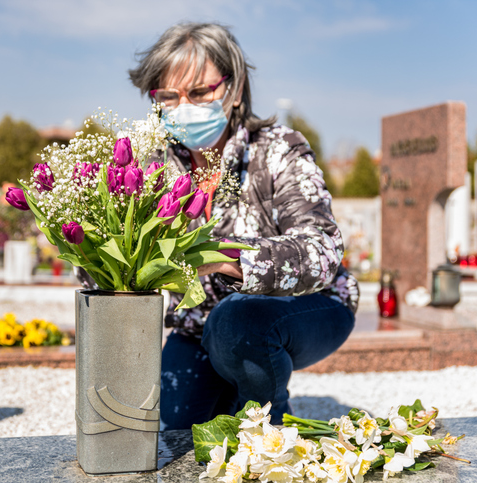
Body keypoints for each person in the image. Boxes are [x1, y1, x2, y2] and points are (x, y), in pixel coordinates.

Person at [127, 22, 359, 430]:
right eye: (168, 96)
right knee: (174, 429)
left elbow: (322, 249)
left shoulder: (277, 149)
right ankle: (237, 388)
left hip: (303, 306)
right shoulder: (154, 167)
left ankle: (268, 434)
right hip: (199, 327)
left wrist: (221, 255)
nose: (184, 107)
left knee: (237, 323)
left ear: (233, 89)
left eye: (199, 92)